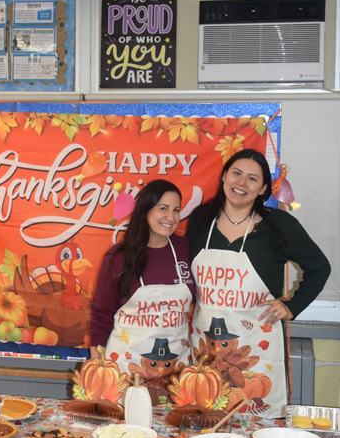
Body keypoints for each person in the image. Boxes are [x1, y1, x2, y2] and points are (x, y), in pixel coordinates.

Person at [186, 148, 331, 417]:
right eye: (236, 174)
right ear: (224, 177)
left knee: (255, 430)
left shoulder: (279, 225)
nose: (241, 183)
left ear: (263, 188)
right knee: (204, 421)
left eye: (252, 179)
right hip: (204, 347)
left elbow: (320, 268)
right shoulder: (201, 220)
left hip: (256, 350)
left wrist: (292, 306)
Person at [90, 179, 195, 404]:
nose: (171, 217)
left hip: (175, 373)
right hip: (126, 370)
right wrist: (99, 372)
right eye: (163, 208)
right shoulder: (118, 257)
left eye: (176, 210)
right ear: (145, 209)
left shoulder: (186, 249)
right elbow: (100, 315)